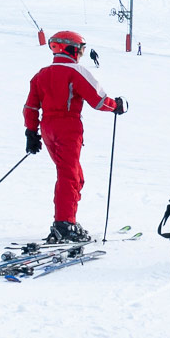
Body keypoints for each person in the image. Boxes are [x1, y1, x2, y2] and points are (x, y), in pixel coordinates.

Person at [23, 31, 125, 243]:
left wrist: (31, 132)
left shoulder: (41, 74)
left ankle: (65, 220)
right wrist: (116, 105)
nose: (81, 55)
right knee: (68, 176)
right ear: (71, 49)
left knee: (75, 177)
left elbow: (31, 106)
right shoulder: (76, 71)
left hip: (48, 127)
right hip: (68, 126)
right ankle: (65, 223)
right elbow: (98, 100)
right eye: (81, 50)